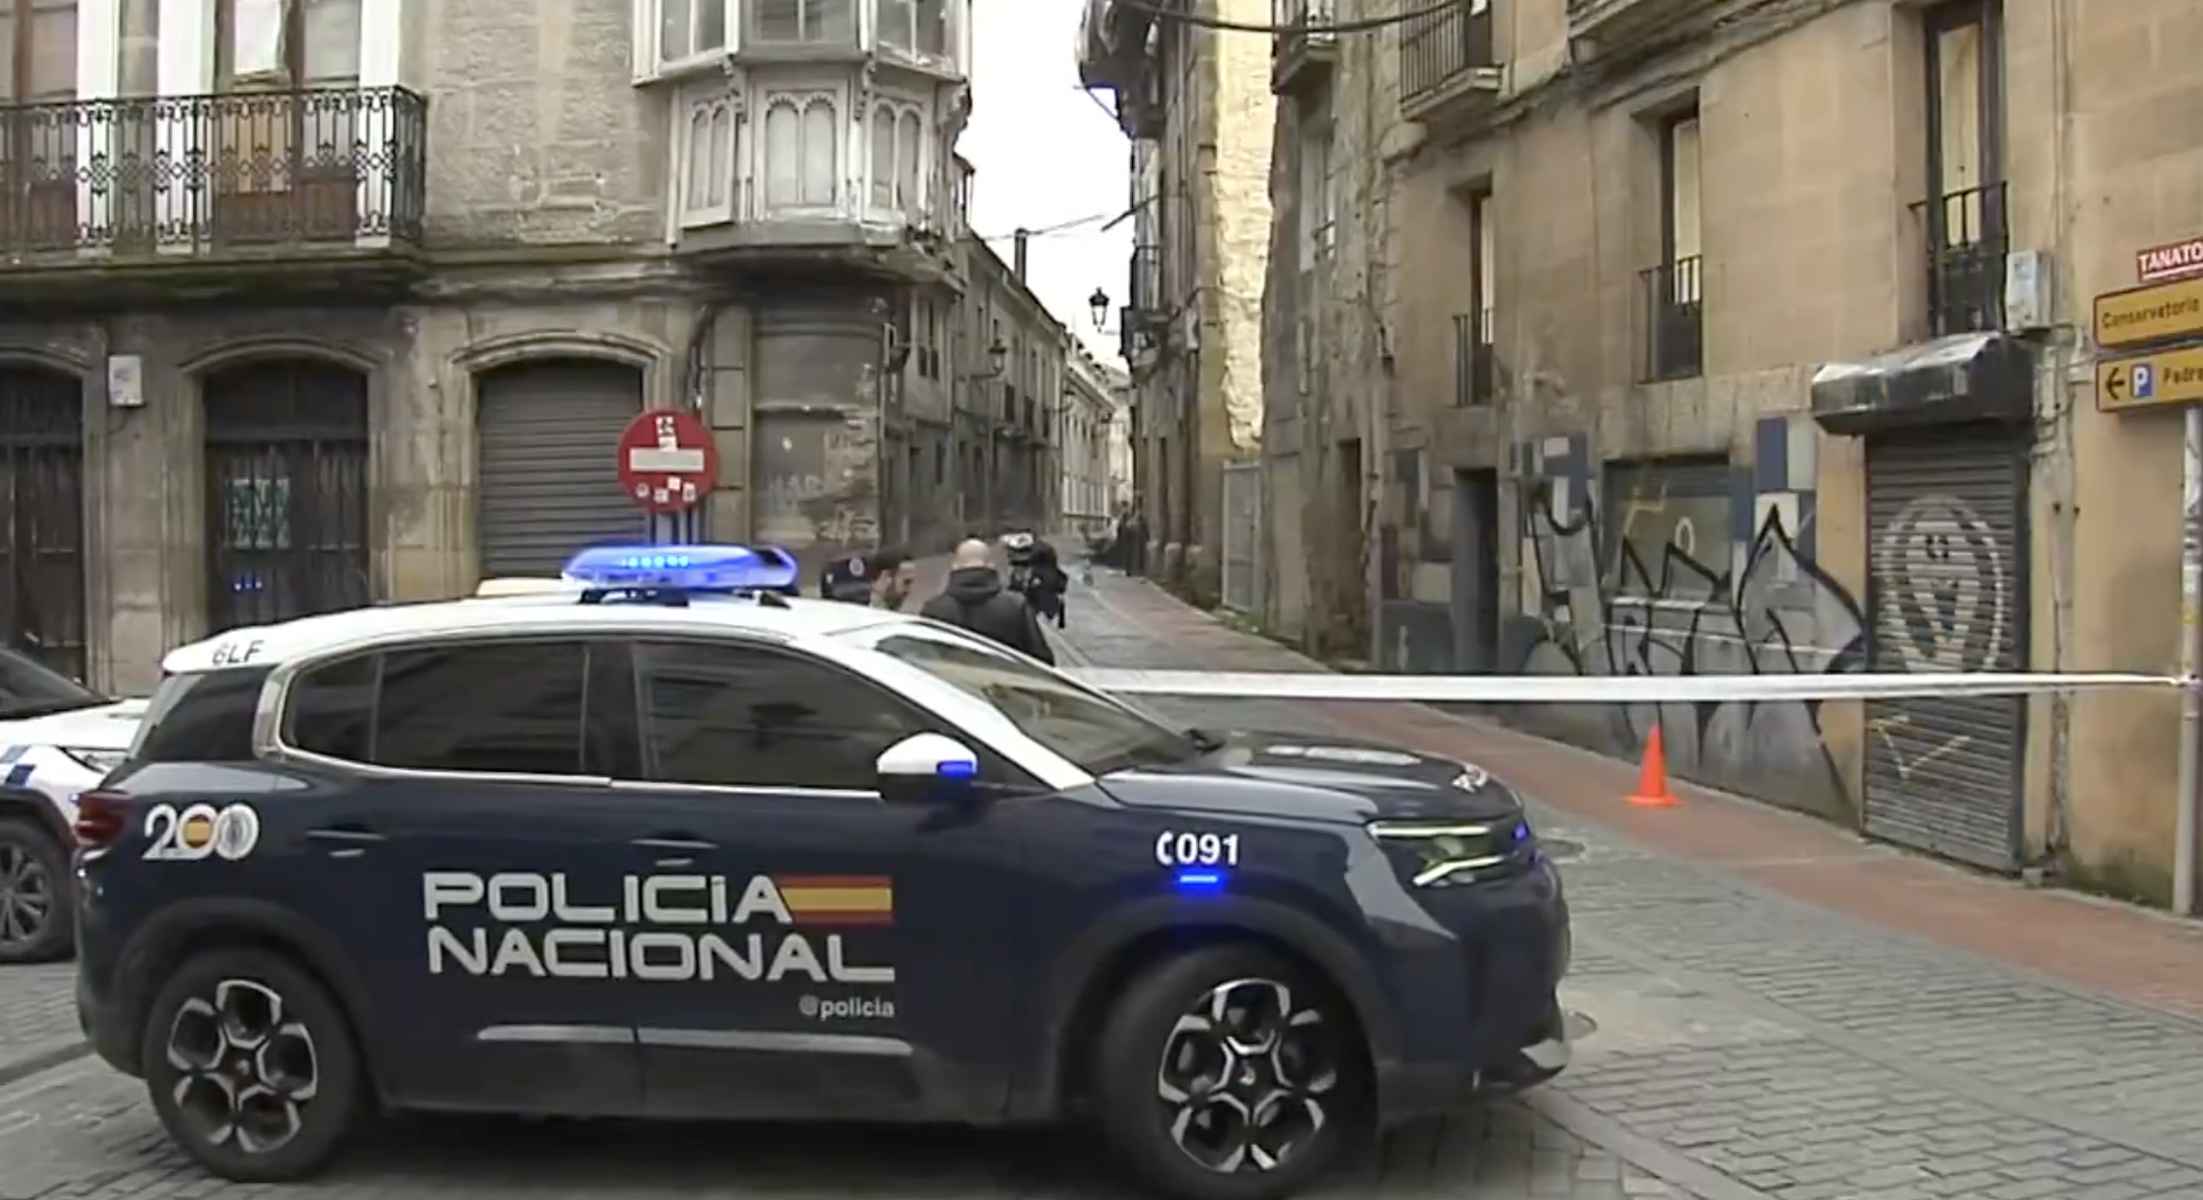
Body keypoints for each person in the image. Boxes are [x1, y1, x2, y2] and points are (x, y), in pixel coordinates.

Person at [920, 538, 1055, 663]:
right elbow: (1042, 659)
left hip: (948, 687)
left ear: (955, 566)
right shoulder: (1016, 606)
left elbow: (921, 660)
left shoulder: (933, 609)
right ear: (990, 566)